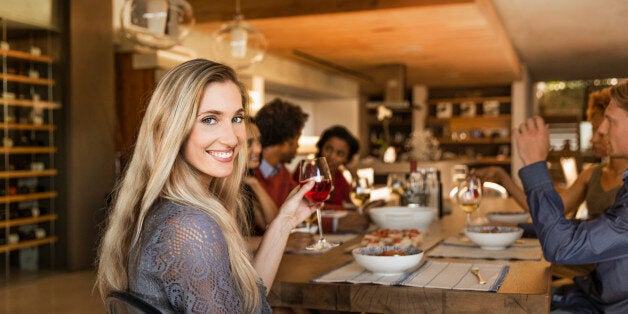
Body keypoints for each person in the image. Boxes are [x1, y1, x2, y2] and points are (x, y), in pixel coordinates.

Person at [96, 59, 320, 313]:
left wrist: (285, 221)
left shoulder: (170, 206)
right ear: (171, 128)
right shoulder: (190, 226)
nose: (232, 138)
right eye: (210, 120)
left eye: (237, 118)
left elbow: (249, 303)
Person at [514, 80, 628, 313]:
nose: (602, 132)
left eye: (610, 121)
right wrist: (518, 227)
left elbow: (562, 246)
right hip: (593, 294)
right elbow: (582, 227)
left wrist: (535, 164)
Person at [474, 87, 628, 219]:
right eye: (594, 129)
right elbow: (548, 213)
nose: (593, 139)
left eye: (601, 131)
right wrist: (502, 177)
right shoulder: (592, 174)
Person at [243, 118, 312, 251]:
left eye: (259, 142)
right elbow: (222, 243)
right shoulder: (218, 184)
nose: (258, 149)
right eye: (249, 143)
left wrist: (255, 184)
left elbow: (271, 223)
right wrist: (281, 241)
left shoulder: (247, 182)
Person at [253, 98, 309, 206]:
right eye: (297, 139)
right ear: (287, 141)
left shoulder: (281, 171)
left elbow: (305, 203)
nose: (298, 145)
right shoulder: (249, 174)